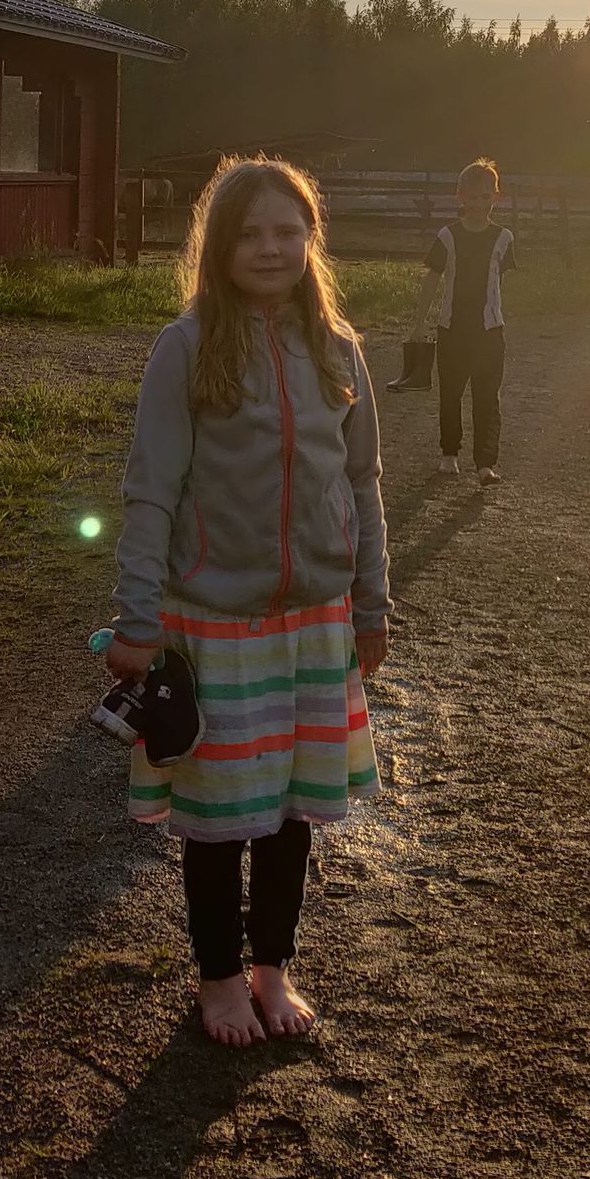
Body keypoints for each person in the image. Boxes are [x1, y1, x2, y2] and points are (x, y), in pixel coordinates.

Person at [104, 156, 390, 1047]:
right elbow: (152, 488)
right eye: (250, 234)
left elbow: (366, 481)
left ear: (312, 240)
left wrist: (372, 602)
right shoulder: (184, 348)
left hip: (316, 620)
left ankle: (273, 964)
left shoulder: (340, 352)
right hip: (216, 622)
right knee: (222, 813)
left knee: (293, 806)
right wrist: (136, 619)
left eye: (288, 231)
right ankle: (219, 976)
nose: (271, 249)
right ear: (218, 246)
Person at [417, 157, 516, 483]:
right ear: (460, 197)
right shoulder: (447, 236)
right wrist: (419, 321)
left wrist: (495, 314)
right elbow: (432, 278)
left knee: (488, 397)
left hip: (490, 332)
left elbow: (498, 281)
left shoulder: (504, 238)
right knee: (451, 393)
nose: (479, 204)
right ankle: (449, 454)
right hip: (452, 328)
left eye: (485, 197)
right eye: (472, 197)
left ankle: (485, 464)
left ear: (495, 197)